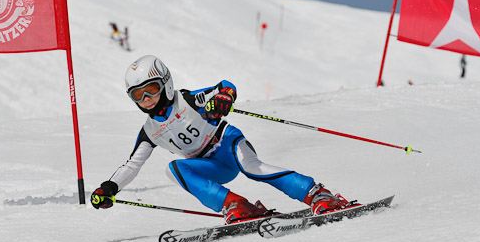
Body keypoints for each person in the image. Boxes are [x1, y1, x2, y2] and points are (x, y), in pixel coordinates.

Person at [91, 55, 351, 223]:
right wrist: (110, 188)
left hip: (228, 144)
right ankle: (237, 206)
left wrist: (224, 98)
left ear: (166, 85)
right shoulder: (149, 131)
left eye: (151, 89)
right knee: (175, 169)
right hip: (212, 167)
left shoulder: (188, 100)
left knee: (252, 168)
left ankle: (318, 194)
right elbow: (132, 165)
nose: (146, 98)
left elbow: (225, 86)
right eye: (138, 95)